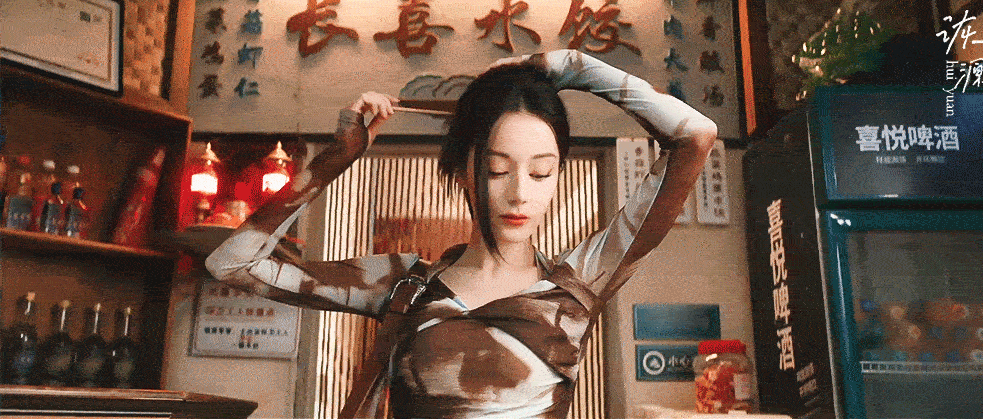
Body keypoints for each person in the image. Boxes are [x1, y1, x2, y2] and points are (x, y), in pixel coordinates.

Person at [206, 49, 717, 418]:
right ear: (461, 172)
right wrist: (337, 157)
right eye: (497, 170)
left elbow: (695, 135)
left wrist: (568, 65)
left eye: (542, 173)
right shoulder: (403, 283)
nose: (520, 194)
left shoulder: (579, 283)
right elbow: (232, 263)